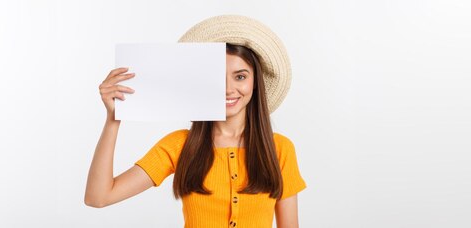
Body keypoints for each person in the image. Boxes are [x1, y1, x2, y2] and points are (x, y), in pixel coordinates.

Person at [85, 15, 307, 228]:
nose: (229, 89)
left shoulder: (279, 149)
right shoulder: (180, 145)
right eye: (218, 77)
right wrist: (114, 118)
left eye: (240, 76)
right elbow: (99, 197)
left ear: (255, 81)